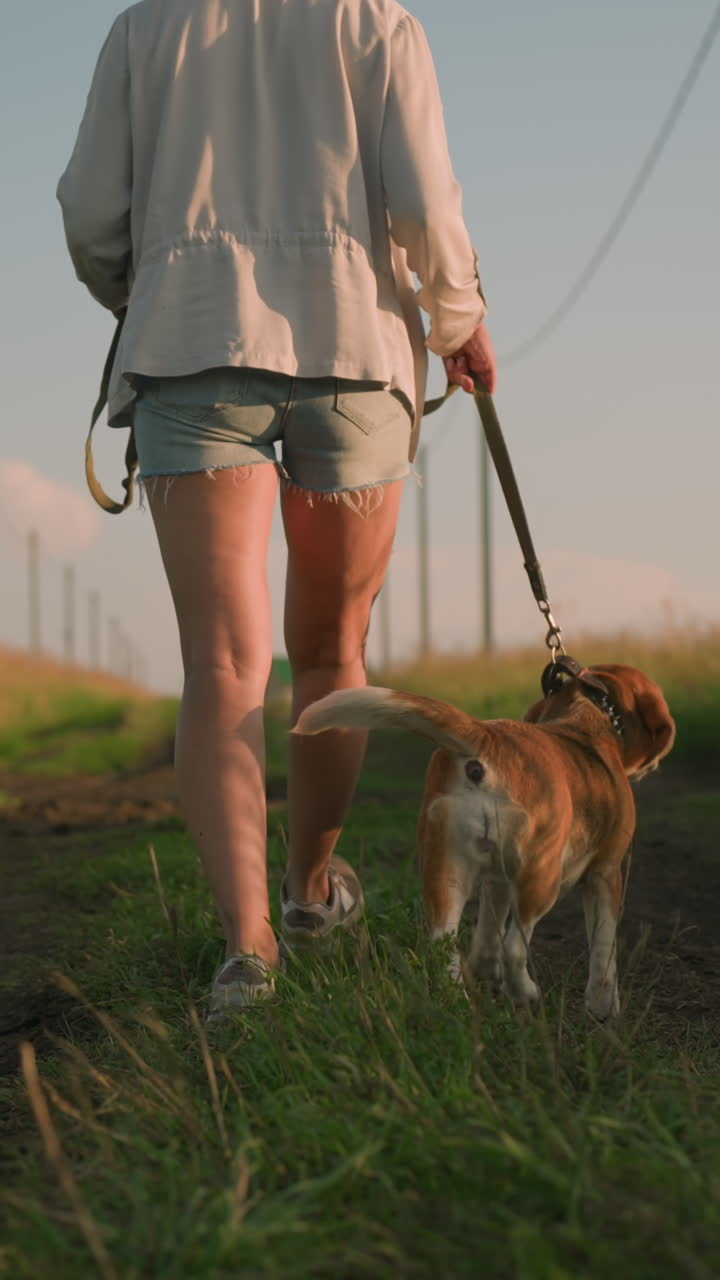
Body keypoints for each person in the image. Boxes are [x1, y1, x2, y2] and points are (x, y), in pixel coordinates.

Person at [57, 0, 498, 1018]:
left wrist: (150, 287)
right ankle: (309, 891)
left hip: (190, 339)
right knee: (334, 649)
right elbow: (428, 205)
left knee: (222, 662)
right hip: (354, 347)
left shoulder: (143, 28)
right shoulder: (378, 22)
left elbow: (89, 212)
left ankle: (248, 952)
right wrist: (460, 318)